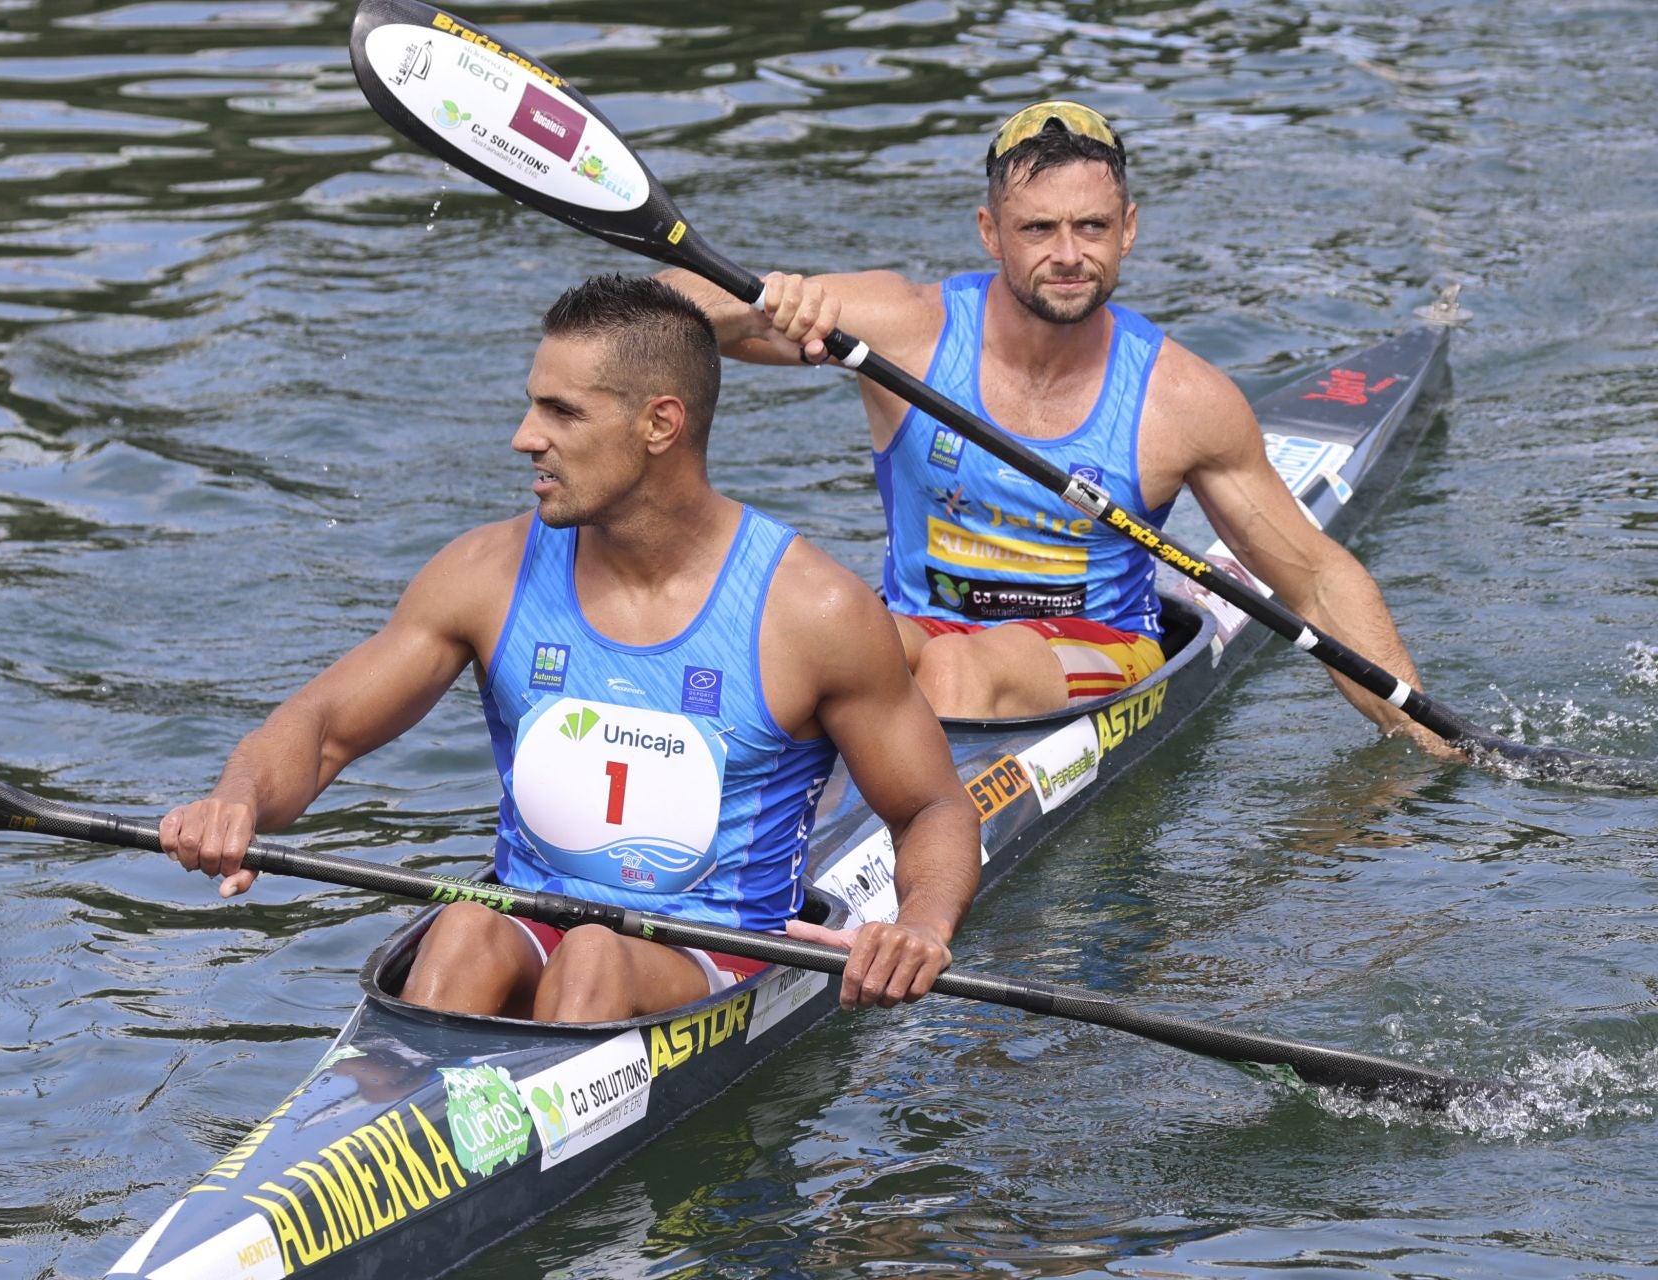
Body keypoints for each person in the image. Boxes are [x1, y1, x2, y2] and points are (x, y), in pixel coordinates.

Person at [160, 274, 981, 1023]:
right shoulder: (485, 574)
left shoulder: (813, 611)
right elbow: (324, 725)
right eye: (532, 406)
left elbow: (932, 808)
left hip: (714, 956)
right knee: (461, 929)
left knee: (591, 962)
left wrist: (920, 926)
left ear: (661, 423)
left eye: (562, 412)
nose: (525, 437)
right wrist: (239, 802)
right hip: (524, 926)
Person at [659, 100, 1448, 752]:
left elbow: (1312, 578)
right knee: (783, 645)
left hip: (1098, 650)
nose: (1068, 255)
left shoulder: (1181, 399)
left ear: (1128, 229)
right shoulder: (905, 327)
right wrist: (761, 302)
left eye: (1092, 228)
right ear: (989, 231)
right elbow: (665, 310)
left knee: (957, 674)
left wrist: (1429, 741)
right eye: (1038, 230)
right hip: (919, 632)